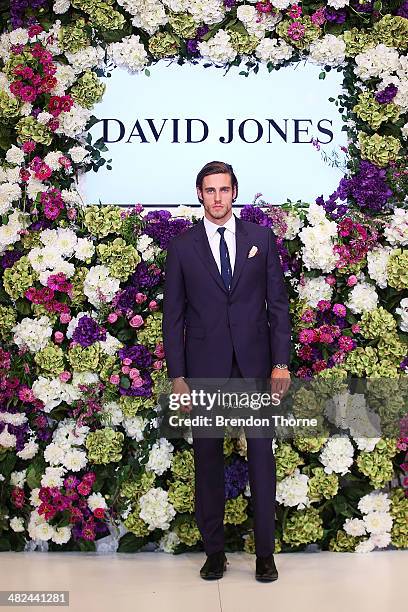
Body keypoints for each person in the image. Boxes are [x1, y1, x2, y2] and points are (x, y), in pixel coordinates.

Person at [162, 161, 291, 582]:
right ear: (200, 194)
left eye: (224, 189)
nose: (217, 197)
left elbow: (278, 307)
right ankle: (214, 552)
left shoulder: (261, 239)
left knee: (261, 461)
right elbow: (173, 317)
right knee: (207, 463)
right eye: (209, 190)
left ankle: (265, 555)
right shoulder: (182, 247)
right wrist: (178, 377)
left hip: (256, 367)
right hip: (205, 369)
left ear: (235, 192)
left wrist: (280, 362)